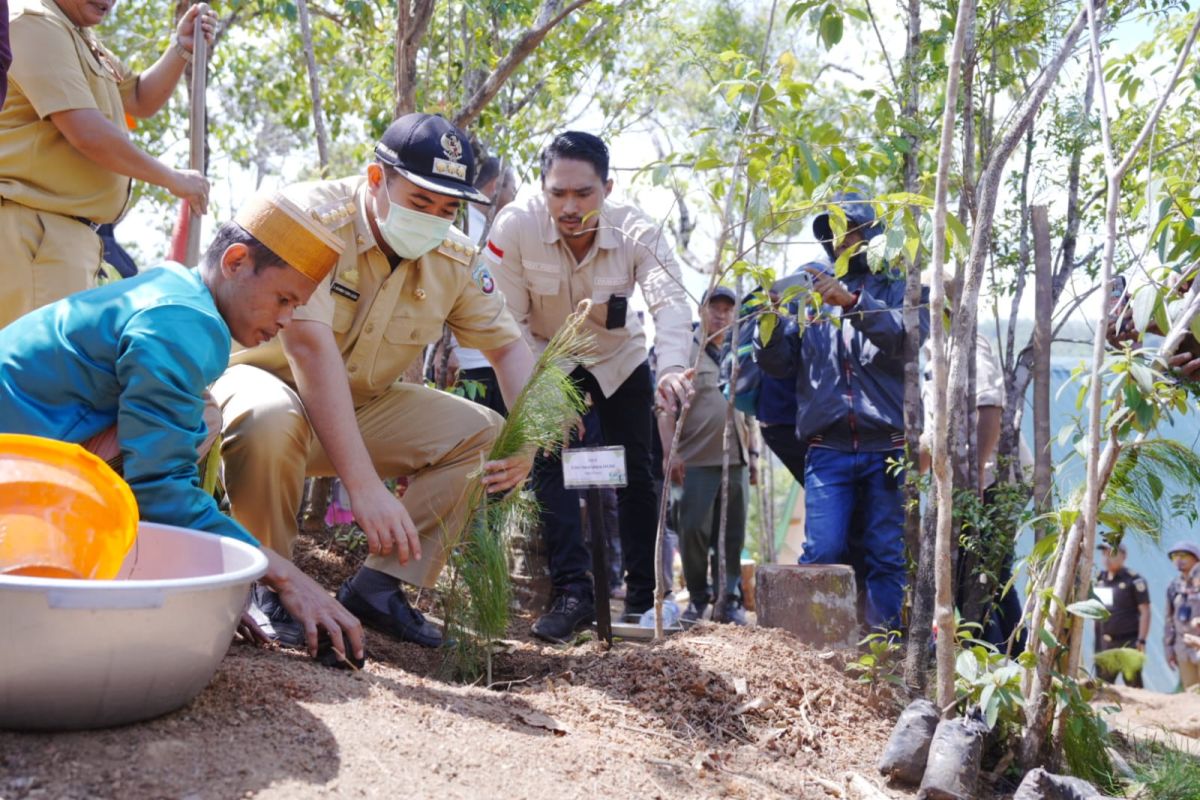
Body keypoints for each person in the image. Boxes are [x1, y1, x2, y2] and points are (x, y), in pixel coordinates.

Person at [213, 113, 536, 649]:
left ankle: (380, 587)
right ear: (375, 179)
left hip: (360, 406)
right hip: (260, 386)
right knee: (271, 416)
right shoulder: (312, 218)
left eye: (447, 208)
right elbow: (309, 348)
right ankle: (265, 585)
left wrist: (526, 442)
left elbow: (507, 347)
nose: (433, 219)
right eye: (419, 201)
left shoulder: (454, 257)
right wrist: (363, 486)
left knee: (485, 435)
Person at [0, 190, 365, 661]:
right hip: (15, 469)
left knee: (202, 415)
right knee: (203, 419)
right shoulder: (182, 322)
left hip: (28, 451)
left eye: (295, 306)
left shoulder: (172, 289)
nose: (285, 320)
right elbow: (161, 487)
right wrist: (281, 574)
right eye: (282, 298)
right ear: (235, 261)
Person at [489, 130, 693, 642]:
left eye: (584, 193)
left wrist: (671, 368)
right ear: (543, 189)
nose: (571, 206)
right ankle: (573, 593)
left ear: (607, 187)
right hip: (544, 356)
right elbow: (504, 322)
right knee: (548, 462)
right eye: (558, 193)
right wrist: (543, 396)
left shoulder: (636, 229)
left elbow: (670, 303)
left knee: (636, 475)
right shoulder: (514, 225)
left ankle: (647, 598)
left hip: (619, 361)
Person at [755, 192, 929, 634]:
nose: (839, 239)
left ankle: (883, 650)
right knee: (823, 550)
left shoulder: (899, 283)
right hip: (826, 447)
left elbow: (905, 341)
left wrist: (851, 304)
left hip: (887, 444)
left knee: (886, 553)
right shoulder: (805, 287)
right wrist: (768, 326)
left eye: (848, 228)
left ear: (870, 233)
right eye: (831, 230)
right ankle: (813, 646)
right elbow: (777, 366)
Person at [1, 0, 215, 326]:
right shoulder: (34, 24)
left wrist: (181, 48)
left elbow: (139, 99)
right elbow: (85, 131)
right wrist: (171, 178)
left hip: (68, 240)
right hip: (36, 233)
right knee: (45, 374)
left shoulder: (78, 34)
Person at [659, 286, 756, 625]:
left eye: (728, 310)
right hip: (695, 458)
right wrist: (670, 453)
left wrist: (753, 455)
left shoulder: (738, 349)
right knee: (693, 531)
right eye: (714, 308)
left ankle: (728, 601)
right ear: (701, 310)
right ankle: (699, 599)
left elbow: (748, 407)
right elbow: (664, 409)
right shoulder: (684, 351)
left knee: (732, 534)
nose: (721, 315)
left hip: (736, 458)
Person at [449, 155, 518, 416]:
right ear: (495, 186)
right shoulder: (462, 227)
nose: (513, 196)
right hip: (469, 364)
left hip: (499, 358)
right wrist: (449, 352)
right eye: (511, 189)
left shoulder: (496, 229)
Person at [1092, 541, 1151, 687]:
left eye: (1112, 554)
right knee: (1102, 688)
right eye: (1104, 554)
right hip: (1105, 643)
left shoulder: (1134, 580)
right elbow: (1096, 614)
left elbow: (1145, 611)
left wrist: (1142, 640)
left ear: (1124, 556)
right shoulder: (1099, 580)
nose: (1107, 558)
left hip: (1129, 643)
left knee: (1133, 686)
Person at [1165, 541, 1200, 690]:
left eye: (1183, 555)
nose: (1178, 559)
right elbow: (1169, 620)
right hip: (1182, 646)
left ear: (1196, 558)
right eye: (1174, 556)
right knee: (1191, 692)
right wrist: (1168, 648)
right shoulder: (1174, 586)